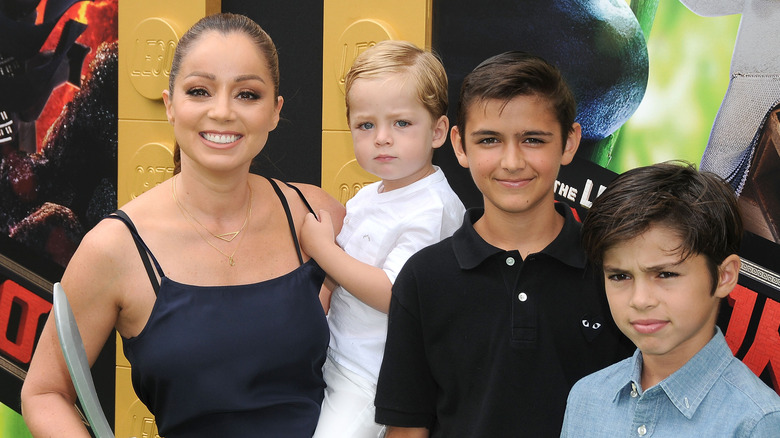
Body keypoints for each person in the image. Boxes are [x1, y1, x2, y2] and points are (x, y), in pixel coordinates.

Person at [20, 13, 345, 438]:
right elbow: (43, 393)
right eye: (199, 91)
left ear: (275, 112)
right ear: (170, 104)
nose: (223, 111)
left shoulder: (318, 215)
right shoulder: (115, 248)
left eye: (247, 94)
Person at [373, 51, 632, 437]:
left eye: (533, 139)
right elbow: (407, 427)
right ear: (460, 145)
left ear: (569, 142)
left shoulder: (613, 271)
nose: (511, 162)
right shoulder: (423, 278)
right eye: (490, 140)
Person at [301, 40, 465, 438]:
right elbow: (342, 276)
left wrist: (323, 250)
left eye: (402, 123)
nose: (382, 138)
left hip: (373, 378)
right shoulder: (370, 194)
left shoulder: (433, 208)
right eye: (366, 125)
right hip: (333, 358)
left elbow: (397, 294)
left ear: (439, 130)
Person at [561, 162, 780, 437]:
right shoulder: (587, 398)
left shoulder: (758, 421)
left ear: (724, 276)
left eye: (665, 274)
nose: (640, 300)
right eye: (619, 276)